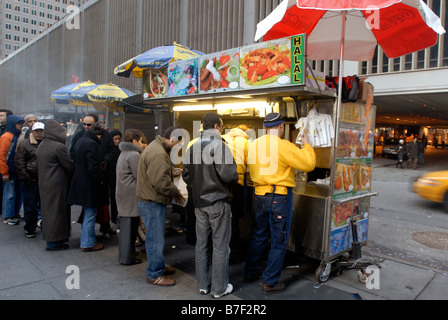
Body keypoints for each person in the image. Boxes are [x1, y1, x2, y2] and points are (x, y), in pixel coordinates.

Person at [245, 112, 316, 294]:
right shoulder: (284, 146)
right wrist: (307, 144)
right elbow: (308, 164)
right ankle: (270, 282)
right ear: (282, 127)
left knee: (259, 234)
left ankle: (251, 272)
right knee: (279, 239)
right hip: (279, 196)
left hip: (259, 195)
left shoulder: (254, 145)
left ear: (266, 128)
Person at [183, 113, 238, 298]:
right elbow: (229, 175)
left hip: (199, 204)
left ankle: (203, 285)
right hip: (218, 203)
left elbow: (186, 176)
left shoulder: (192, 147)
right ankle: (219, 289)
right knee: (220, 246)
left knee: (201, 245)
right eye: (221, 126)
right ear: (216, 126)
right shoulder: (219, 145)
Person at [137, 126, 185, 287]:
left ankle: (158, 265)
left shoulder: (156, 147)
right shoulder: (158, 153)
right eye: (178, 144)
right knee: (155, 238)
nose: (178, 147)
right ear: (172, 140)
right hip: (152, 201)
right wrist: (176, 193)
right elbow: (159, 182)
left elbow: (157, 174)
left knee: (156, 237)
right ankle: (154, 274)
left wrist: (171, 172)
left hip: (150, 199)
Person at [70, 114, 117, 238]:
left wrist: (105, 160)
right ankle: (87, 237)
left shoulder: (106, 136)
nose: (86, 126)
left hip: (102, 174)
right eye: (84, 124)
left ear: (96, 124)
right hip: (90, 176)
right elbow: (73, 154)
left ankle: (104, 226)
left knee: (102, 203)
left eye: (89, 124)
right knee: (89, 207)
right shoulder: (80, 137)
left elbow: (112, 150)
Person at [67, 123, 106, 252]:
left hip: (80, 182)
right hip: (89, 185)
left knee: (88, 213)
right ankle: (87, 243)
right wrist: (100, 179)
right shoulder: (91, 144)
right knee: (90, 213)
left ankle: (87, 240)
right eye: (101, 137)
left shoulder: (81, 141)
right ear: (98, 134)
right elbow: (93, 166)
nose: (101, 139)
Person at [36, 120, 74, 251]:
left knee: (48, 212)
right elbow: (68, 166)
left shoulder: (42, 145)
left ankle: (54, 239)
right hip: (57, 185)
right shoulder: (59, 147)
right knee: (57, 213)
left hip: (45, 184)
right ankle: (54, 242)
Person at [222, 125, 253, 264]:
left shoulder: (223, 139)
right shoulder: (246, 143)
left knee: (222, 219)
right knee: (234, 219)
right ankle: (233, 253)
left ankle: (220, 252)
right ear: (245, 133)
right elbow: (252, 164)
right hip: (237, 183)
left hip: (221, 183)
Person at [116, 129, 146, 265]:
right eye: (140, 141)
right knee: (129, 229)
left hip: (123, 194)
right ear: (134, 141)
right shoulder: (134, 155)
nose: (141, 144)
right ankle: (127, 258)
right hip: (130, 196)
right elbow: (140, 176)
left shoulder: (123, 153)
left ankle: (127, 255)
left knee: (127, 228)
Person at [14, 122, 44, 238]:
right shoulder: (24, 144)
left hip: (44, 180)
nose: (39, 133)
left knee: (44, 205)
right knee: (30, 205)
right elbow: (19, 163)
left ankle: (43, 225)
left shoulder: (46, 143)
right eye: (37, 131)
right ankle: (30, 228)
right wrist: (27, 178)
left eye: (41, 131)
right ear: (32, 131)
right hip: (31, 181)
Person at [0, 115, 25, 225]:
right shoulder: (7, 136)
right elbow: (2, 155)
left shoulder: (16, 135)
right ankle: (8, 215)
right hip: (10, 171)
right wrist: (4, 172)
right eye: (19, 123)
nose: (21, 125)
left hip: (16, 171)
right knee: (9, 194)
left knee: (17, 193)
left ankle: (14, 213)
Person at [0, 109, 13, 216]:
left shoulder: (7, 133)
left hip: (5, 165)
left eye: (1, 115)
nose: (0, 117)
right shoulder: (3, 131)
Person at [109, 130, 122, 225]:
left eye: (119, 139)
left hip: (120, 179)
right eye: (115, 139)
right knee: (113, 199)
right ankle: (114, 217)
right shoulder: (110, 150)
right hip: (112, 178)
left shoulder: (122, 150)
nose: (117, 141)